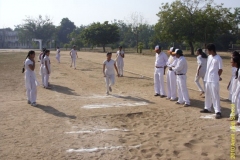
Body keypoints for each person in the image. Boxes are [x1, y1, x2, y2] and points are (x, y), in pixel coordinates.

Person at [200, 43, 223, 119]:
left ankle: (217, 111)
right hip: (207, 78)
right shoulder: (209, 57)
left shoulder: (218, 58)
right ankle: (207, 107)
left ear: (211, 50)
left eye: (208, 50)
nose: (207, 52)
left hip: (214, 79)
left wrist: (218, 76)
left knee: (215, 95)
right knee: (208, 94)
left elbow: (220, 69)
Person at [231, 56, 240, 125]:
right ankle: (234, 115)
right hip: (238, 87)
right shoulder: (237, 69)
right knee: (235, 101)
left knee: (238, 102)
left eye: (232, 62)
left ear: (236, 63)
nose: (231, 63)